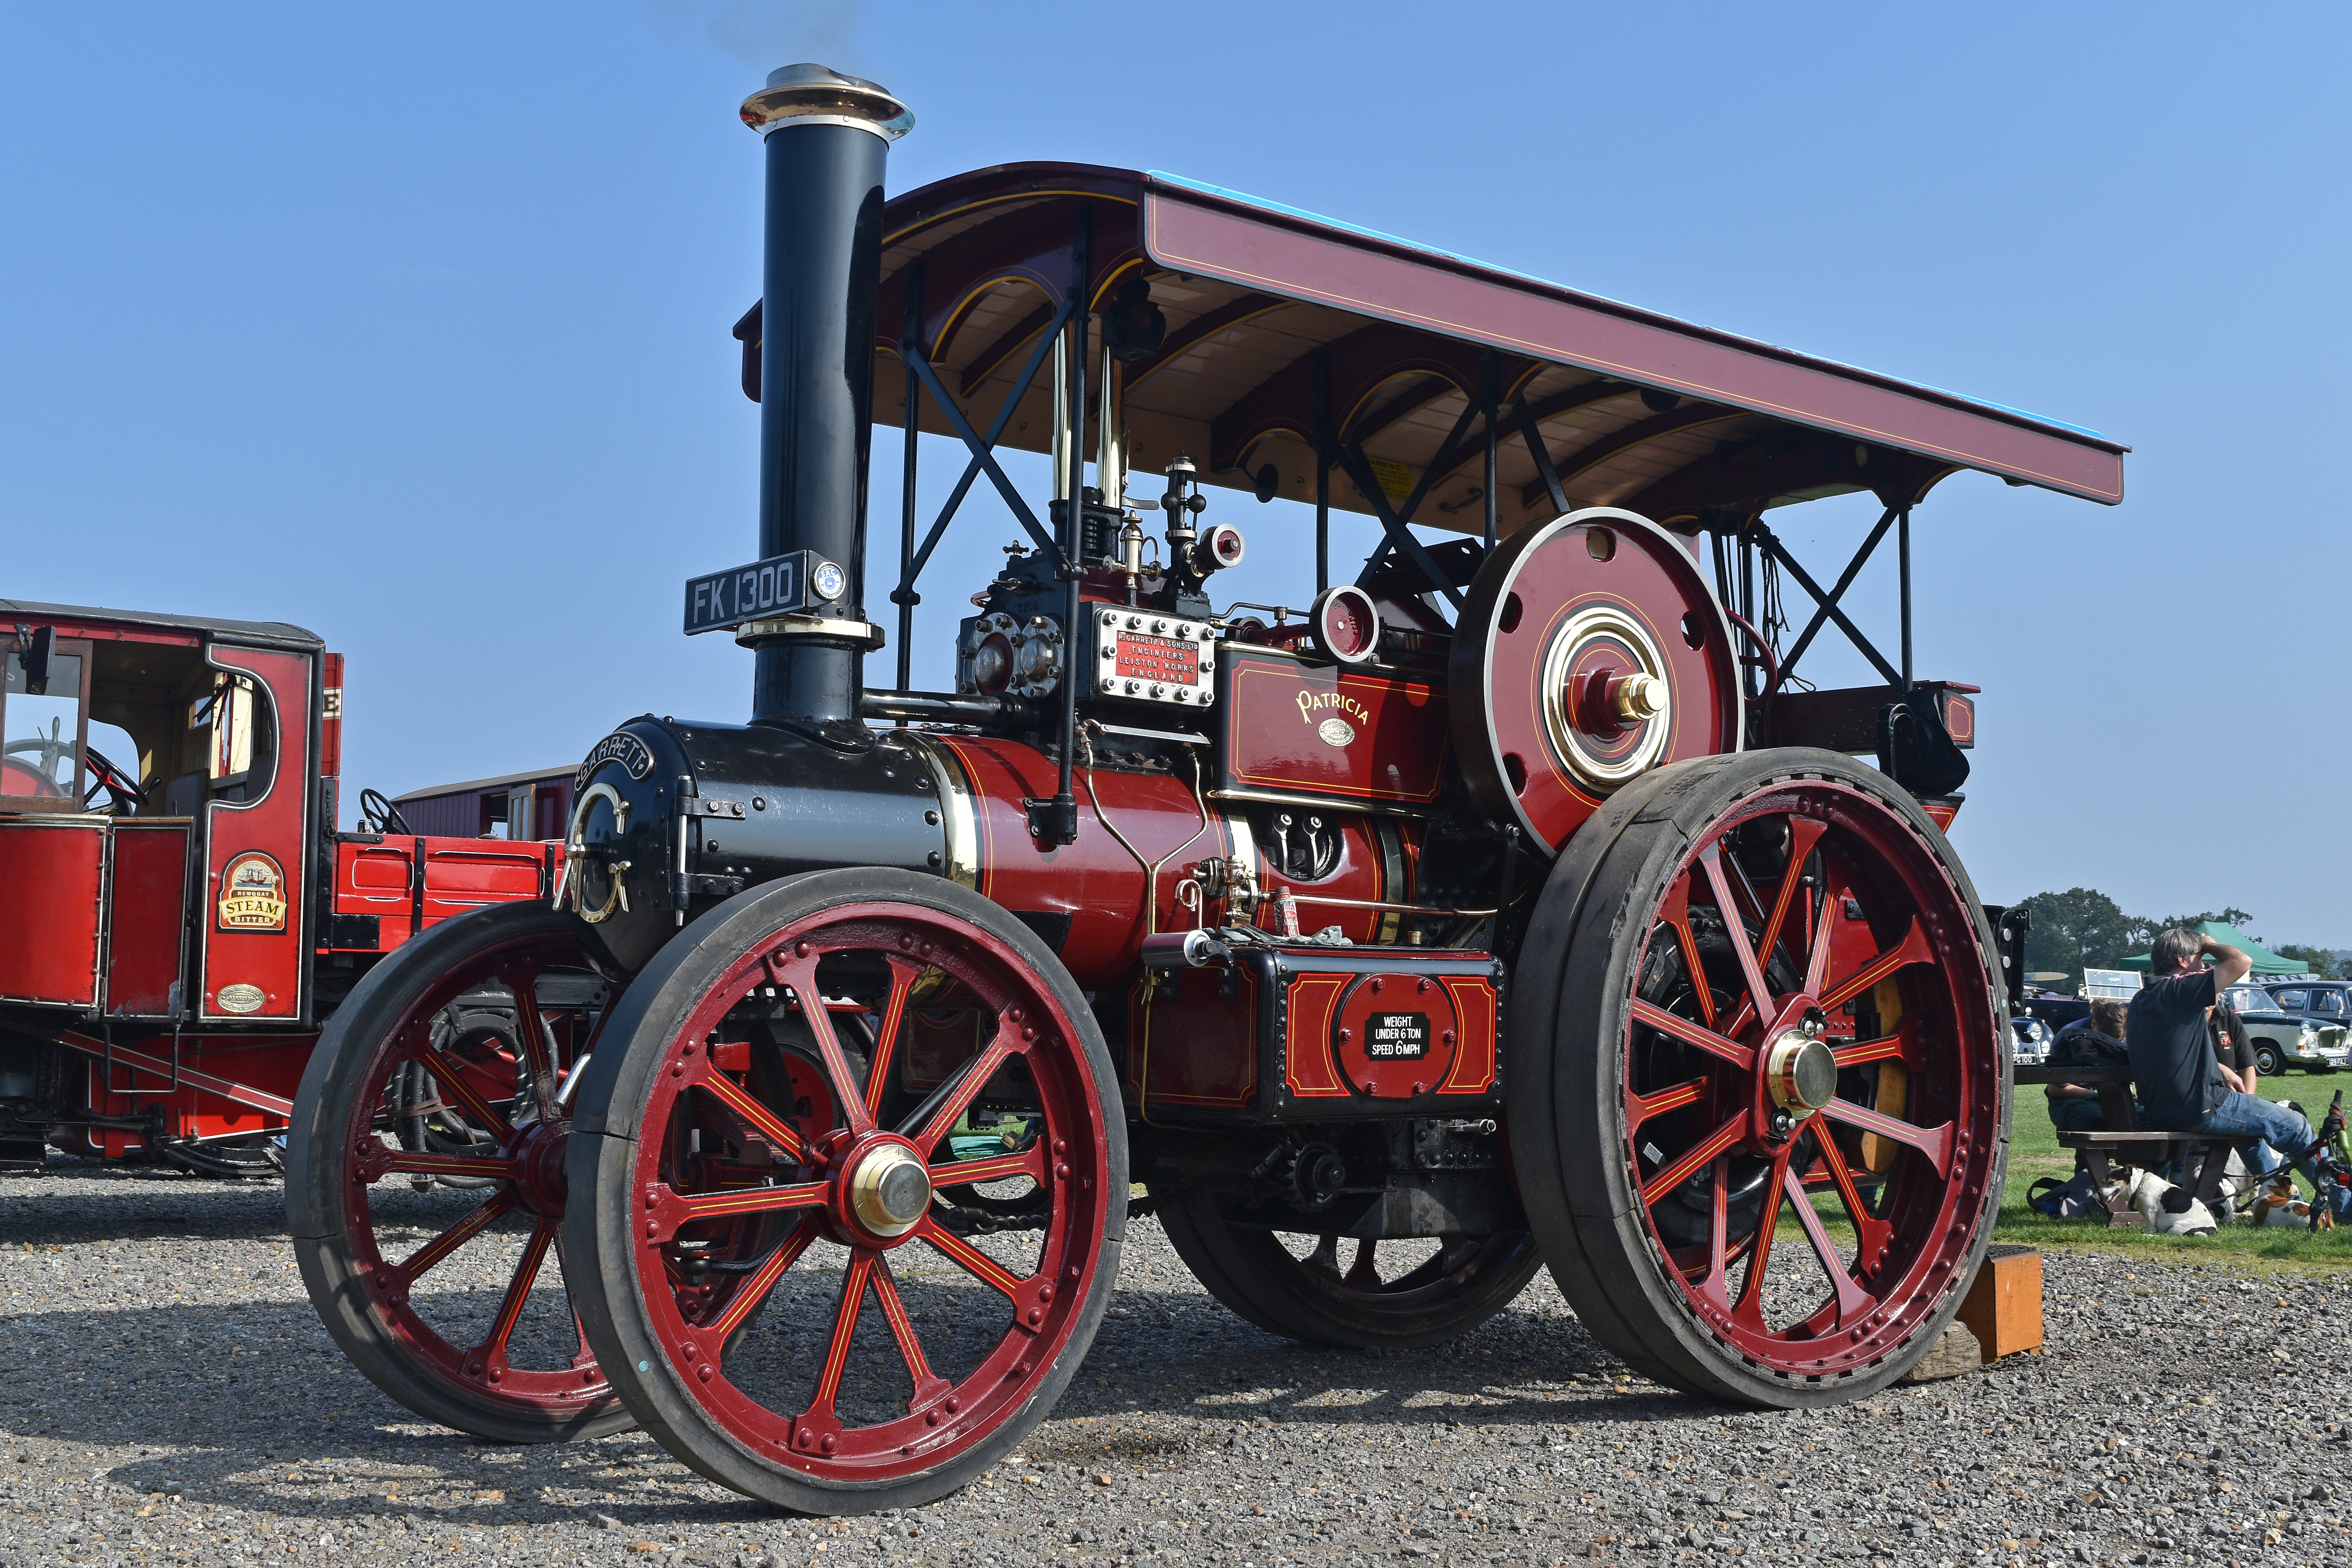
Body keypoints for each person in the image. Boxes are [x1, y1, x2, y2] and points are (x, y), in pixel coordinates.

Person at [2128, 928, 2317, 1183]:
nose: (2204, 965)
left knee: (2251, 1135)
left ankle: (2277, 1199)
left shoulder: (2142, 998)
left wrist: (2220, 1067)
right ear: (2183, 962)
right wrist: (2209, 944)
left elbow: (2171, 1053)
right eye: (2199, 958)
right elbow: (2241, 962)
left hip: (2162, 1110)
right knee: (2296, 1127)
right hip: (2200, 1107)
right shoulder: (2179, 990)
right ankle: (2346, 1207)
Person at [2045, 999, 2129, 1134]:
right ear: (2094, 1024)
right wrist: (2096, 1094)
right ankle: (2093, 1155)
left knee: (2146, 1118)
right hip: (2069, 1100)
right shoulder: (2067, 1037)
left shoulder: (2125, 1035)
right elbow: (2055, 1088)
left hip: (2112, 1096)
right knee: (2095, 1122)